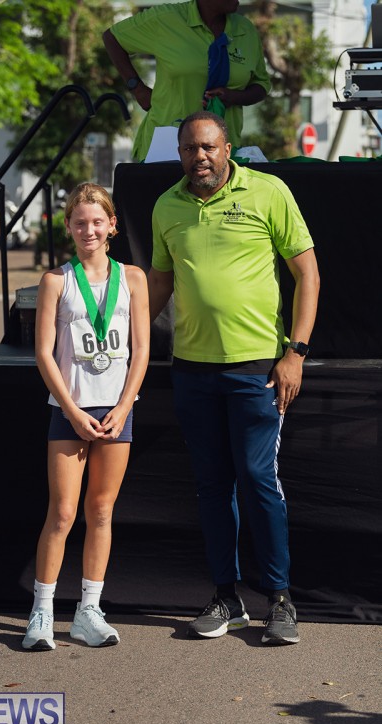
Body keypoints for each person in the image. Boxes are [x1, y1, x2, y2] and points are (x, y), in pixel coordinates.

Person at [148, 111, 320, 645]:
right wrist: (126, 343)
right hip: (192, 370)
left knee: (257, 479)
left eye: (207, 147)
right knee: (211, 485)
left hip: (257, 369)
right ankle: (227, 598)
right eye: (188, 149)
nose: (198, 157)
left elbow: (307, 274)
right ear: (179, 153)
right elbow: (159, 283)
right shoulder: (167, 205)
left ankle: (280, 600)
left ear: (227, 148)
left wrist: (295, 353)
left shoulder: (268, 192)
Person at [22, 183, 150, 650]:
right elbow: (43, 353)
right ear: (68, 227)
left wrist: (124, 406)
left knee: (101, 511)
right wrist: (72, 410)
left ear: (112, 225)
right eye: (80, 223)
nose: (89, 230)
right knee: (62, 513)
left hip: (116, 411)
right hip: (70, 410)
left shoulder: (132, 277)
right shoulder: (56, 280)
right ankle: (41, 612)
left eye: (97, 221)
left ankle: (88, 611)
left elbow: (141, 351)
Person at [103, 0, 270, 162]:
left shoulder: (246, 30)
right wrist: (138, 89)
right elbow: (112, 38)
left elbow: (261, 84)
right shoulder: (166, 18)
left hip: (219, 152)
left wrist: (234, 97)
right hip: (167, 148)